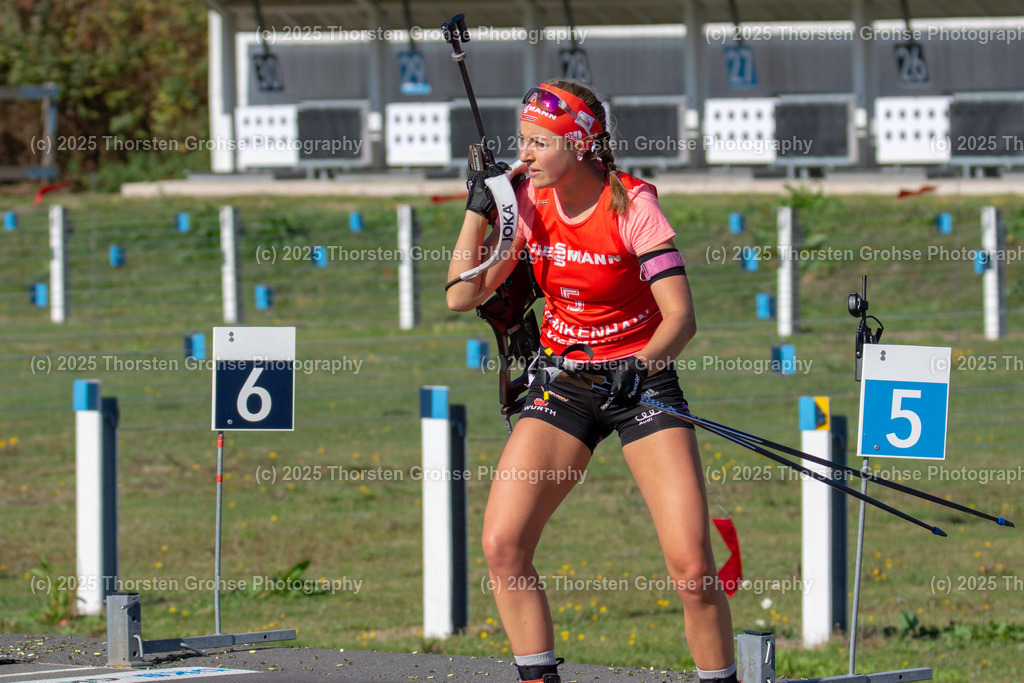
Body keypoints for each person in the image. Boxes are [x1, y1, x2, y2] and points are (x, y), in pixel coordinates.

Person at [445, 80, 738, 683]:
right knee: (503, 545)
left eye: (537, 143)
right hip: (566, 384)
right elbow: (461, 295)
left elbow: (681, 318)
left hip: (641, 385)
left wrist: (643, 367)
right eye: (520, 140)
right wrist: (479, 211)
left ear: (579, 144)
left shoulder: (632, 207)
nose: (522, 154)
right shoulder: (525, 201)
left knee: (692, 568)